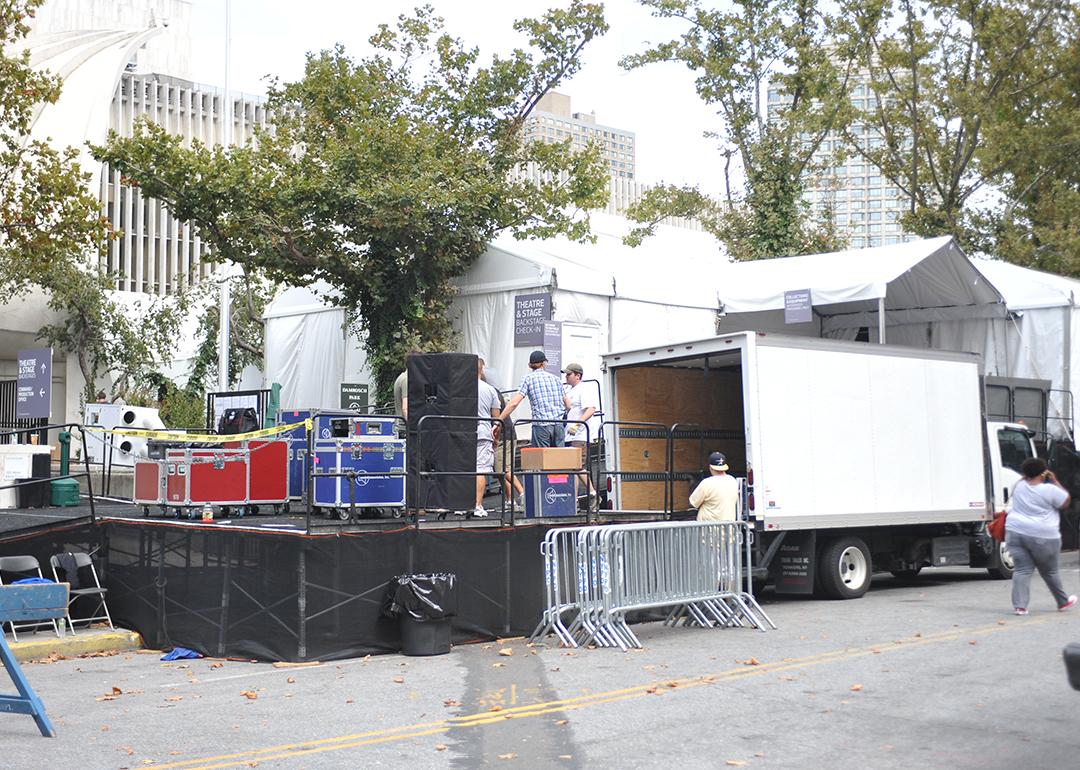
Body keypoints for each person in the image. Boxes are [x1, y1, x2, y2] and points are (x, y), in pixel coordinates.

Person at [1006, 457, 1077, 615]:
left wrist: (1029, 474)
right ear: (1043, 472)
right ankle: (1062, 602)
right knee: (1050, 571)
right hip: (1042, 535)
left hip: (1015, 532)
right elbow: (1065, 501)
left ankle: (1020, 606)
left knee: (1022, 570)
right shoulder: (1049, 490)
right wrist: (1054, 480)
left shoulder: (1018, 485)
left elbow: (1025, 478)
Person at [498, 350, 571, 448]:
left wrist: (499, 420)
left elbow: (514, 403)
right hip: (558, 425)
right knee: (558, 460)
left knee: (542, 461)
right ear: (543, 364)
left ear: (529, 365)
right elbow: (568, 405)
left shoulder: (528, 379)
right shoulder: (556, 379)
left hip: (541, 425)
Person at [563, 363, 599, 505]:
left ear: (577, 375)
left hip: (580, 434)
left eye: (569, 374)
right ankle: (574, 499)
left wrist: (578, 424)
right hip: (570, 434)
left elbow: (591, 409)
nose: (566, 377)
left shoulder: (583, 389)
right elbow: (570, 408)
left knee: (577, 466)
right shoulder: (571, 390)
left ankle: (593, 493)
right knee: (572, 467)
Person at [473, 358, 501, 519]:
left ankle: (462, 505)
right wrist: (495, 439)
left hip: (464, 433)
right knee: (481, 469)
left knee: (465, 469)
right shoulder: (490, 390)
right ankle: (477, 505)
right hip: (483, 432)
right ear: (481, 370)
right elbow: (496, 420)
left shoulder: (460, 389)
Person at [689, 451, 739, 522]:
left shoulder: (707, 483)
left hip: (710, 529)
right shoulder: (733, 481)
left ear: (710, 467)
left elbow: (693, 503)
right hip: (728, 528)